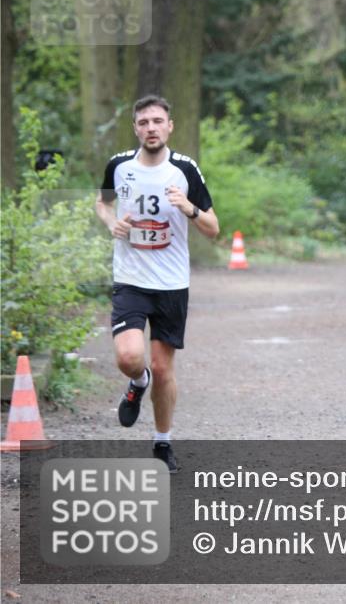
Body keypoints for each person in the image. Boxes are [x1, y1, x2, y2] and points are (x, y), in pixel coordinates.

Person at [95, 95, 219, 473]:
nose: (151, 127)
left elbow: (214, 229)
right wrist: (110, 221)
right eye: (144, 122)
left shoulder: (185, 170)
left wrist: (189, 208)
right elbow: (102, 203)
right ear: (136, 128)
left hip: (171, 284)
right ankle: (137, 381)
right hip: (131, 279)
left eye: (157, 121)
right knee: (129, 357)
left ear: (170, 126)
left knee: (165, 369)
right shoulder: (119, 166)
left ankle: (162, 442)